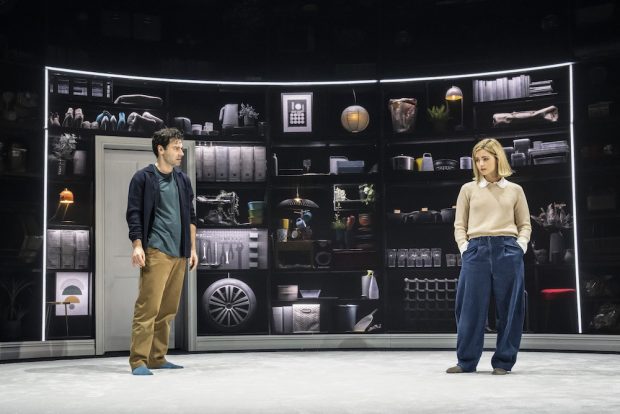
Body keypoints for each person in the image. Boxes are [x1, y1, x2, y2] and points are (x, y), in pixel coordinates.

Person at [447, 138, 531, 375]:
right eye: (477, 159)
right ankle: (466, 361)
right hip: (476, 249)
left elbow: (525, 224)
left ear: (497, 159)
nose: (481, 164)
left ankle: (504, 362)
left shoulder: (514, 190)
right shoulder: (468, 189)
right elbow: (459, 224)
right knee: (469, 308)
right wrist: (465, 247)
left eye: (485, 159)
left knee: (511, 308)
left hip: (507, 248)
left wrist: (520, 246)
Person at [126, 127, 198, 375]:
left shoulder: (182, 180)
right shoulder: (143, 178)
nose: (181, 153)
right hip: (156, 251)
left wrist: (192, 248)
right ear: (161, 149)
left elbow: (191, 217)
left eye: (181, 147)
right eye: (176, 148)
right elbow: (134, 214)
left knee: (168, 310)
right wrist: (137, 245)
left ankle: (157, 357)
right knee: (148, 308)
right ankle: (138, 361)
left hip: (180, 253)